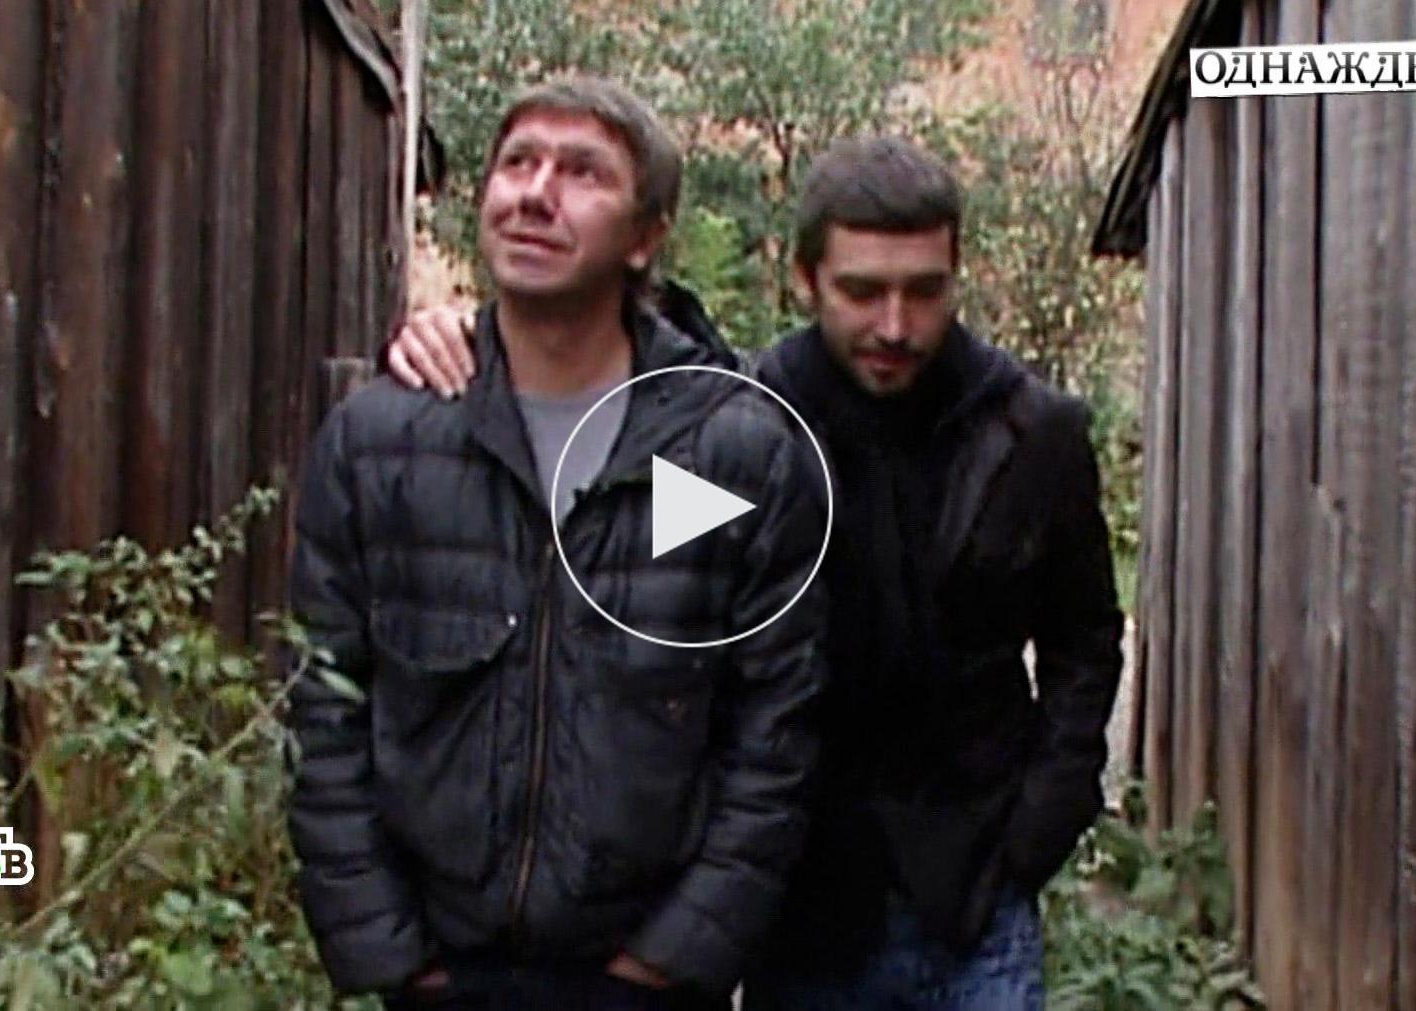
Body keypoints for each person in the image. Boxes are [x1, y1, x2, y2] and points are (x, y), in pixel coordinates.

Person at [388, 135, 1125, 1011]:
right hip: (801, 905)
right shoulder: (742, 427)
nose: (895, 326)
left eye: (924, 291)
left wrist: (1043, 819)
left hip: (974, 901)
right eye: (862, 292)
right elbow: (626, 580)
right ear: (806, 278)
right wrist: (467, 340)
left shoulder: (1032, 434)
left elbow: (1086, 643)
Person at [286, 76, 829, 1011]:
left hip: (646, 979)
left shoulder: (734, 450)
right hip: (442, 973)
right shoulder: (380, 440)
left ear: (646, 236)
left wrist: (679, 951)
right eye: (517, 163)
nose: (536, 193)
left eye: (583, 173)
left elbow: (775, 733)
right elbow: (324, 708)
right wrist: (388, 949)